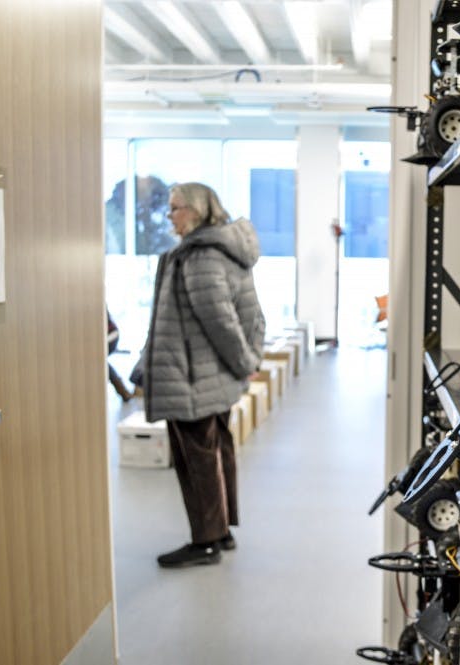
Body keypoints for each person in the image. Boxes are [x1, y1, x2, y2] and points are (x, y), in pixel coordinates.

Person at [132, 182, 266, 568]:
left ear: (196, 210)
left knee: (198, 460)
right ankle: (220, 531)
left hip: (192, 377)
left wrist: (245, 362)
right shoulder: (218, 249)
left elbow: (220, 320)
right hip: (209, 375)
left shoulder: (200, 256)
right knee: (216, 451)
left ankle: (206, 541)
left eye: (175, 207)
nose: (169, 215)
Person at [107, 308, 134, 402]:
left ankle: (123, 391)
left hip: (112, 335)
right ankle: (124, 391)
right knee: (99, 361)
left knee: (99, 360)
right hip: (104, 337)